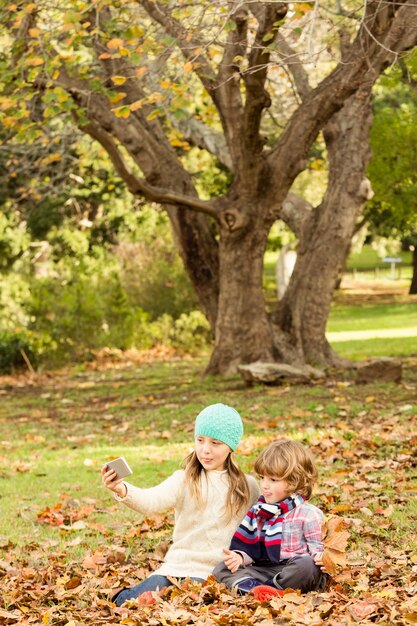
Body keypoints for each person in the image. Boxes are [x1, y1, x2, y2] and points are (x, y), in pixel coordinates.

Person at [101, 403, 260, 606]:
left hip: (218, 572)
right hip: (176, 569)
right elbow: (151, 501)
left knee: (188, 604)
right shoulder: (184, 479)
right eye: (200, 440)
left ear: (231, 446)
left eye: (215, 443)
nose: (205, 450)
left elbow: (266, 525)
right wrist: (122, 489)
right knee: (130, 603)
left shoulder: (248, 486)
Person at [213, 439, 326, 601]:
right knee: (221, 568)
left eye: (273, 480)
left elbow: (316, 549)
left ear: (294, 481)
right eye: (262, 477)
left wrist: (321, 558)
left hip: (292, 569)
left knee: (307, 565)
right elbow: (251, 549)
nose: (265, 485)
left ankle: (272, 589)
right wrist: (239, 557)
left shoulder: (307, 514)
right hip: (263, 569)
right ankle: (256, 589)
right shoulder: (258, 511)